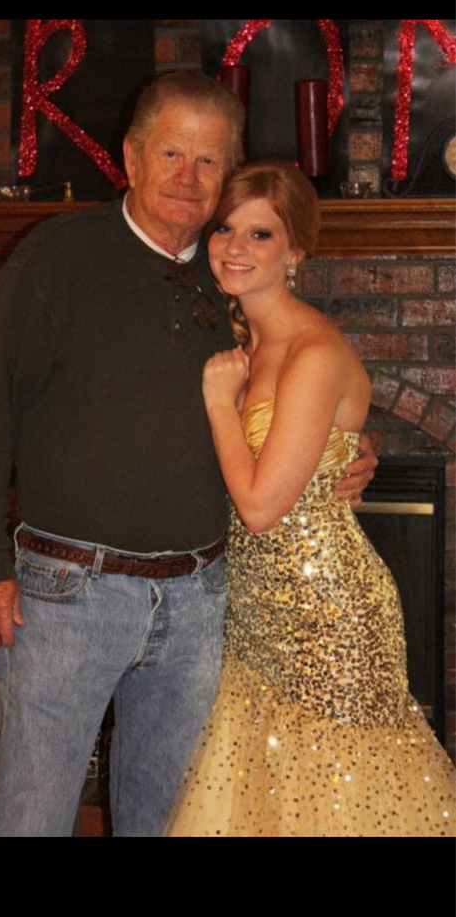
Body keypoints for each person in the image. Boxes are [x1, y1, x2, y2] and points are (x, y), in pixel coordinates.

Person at [0, 73, 377, 838]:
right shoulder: (57, 255)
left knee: (172, 816)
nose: (188, 177)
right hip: (67, 594)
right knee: (30, 813)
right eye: (171, 153)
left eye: (209, 161)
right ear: (132, 157)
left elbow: (292, 398)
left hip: (200, 599)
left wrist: (341, 453)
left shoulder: (233, 281)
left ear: (230, 170)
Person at [166, 158, 456, 838]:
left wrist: (216, 404)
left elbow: (262, 507)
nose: (235, 247)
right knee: (273, 801)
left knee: (343, 801)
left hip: (326, 613)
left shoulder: (312, 350)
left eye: (260, 235)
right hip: (254, 610)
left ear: (296, 248)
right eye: (224, 228)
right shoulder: (234, 335)